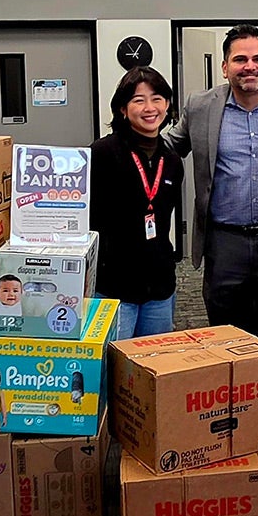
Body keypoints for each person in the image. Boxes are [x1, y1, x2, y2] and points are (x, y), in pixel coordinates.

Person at [166, 24, 258, 336]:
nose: (250, 66)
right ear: (224, 67)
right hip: (224, 243)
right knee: (225, 330)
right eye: (240, 59)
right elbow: (167, 146)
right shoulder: (200, 106)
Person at [91, 66, 185, 339]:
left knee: (155, 365)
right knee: (114, 368)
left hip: (159, 286)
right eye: (138, 100)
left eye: (157, 98)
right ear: (122, 108)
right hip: (113, 286)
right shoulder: (102, 153)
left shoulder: (172, 159)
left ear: (167, 105)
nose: (149, 107)